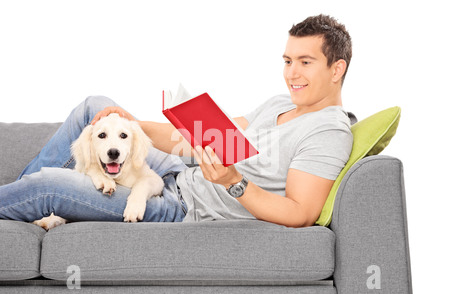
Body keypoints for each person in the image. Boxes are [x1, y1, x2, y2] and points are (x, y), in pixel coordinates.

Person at [0, 14, 353, 228]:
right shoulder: (280, 103)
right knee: (97, 107)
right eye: (288, 61)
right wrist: (131, 123)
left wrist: (234, 181)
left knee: (48, 187)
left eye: (305, 62)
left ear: (337, 69)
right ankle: (16, 211)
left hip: (180, 206)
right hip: (177, 172)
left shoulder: (328, 130)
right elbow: (204, 136)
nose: (292, 73)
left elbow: (300, 213)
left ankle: (16, 204)